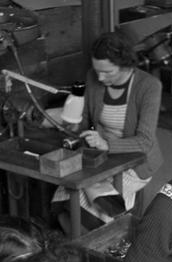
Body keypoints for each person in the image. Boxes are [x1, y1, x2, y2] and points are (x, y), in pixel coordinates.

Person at [53, 31, 162, 230]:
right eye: (97, 71)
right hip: (102, 156)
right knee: (67, 191)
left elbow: (145, 141)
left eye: (108, 72)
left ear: (126, 65)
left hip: (136, 162)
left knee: (101, 208)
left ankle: (102, 243)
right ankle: (77, 245)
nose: (100, 78)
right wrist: (73, 124)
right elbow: (85, 119)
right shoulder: (93, 77)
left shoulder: (148, 86)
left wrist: (107, 144)